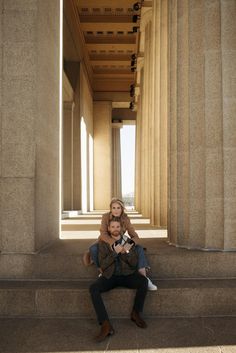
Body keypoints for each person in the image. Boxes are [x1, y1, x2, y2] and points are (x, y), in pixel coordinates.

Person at [89, 218, 148, 342]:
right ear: (109, 229)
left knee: (144, 282)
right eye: (112, 227)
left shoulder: (127, 241)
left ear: (121, 228)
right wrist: (114, 253)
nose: (115, 229)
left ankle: (136, 313)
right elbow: (103, 265)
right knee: (93, 288)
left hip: (127, 275)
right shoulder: (104, 243)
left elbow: (133, 263)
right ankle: (105, 324)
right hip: (111, 276)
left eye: (117, 227)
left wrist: (125, 252)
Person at [84, 197, 157, 291]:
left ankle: (145, 279)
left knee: (138, 248)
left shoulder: (125, 218)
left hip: (122, 240)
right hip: (106, 240)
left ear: (122, 209)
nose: (116, 210)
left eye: (118, 208)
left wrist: (127, 246)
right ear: (110, 209)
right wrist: (114, 244)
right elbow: (103, 233)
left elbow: (135, 236)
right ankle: (103, 272)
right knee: (93, 248)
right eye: (113, 208)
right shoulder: (105, 217)